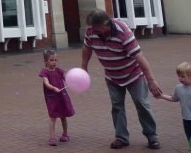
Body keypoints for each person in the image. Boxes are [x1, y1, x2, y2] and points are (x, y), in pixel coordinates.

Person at [82, 8, 162, 149]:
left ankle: (152, 136)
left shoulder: (122, 31)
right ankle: (121, 138)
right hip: (112, 76)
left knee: (141, 104)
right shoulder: (90, 31)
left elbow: (139, 57)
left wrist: (151, 80)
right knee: (117, 106)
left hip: (133, 74)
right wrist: (84, 68)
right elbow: (87, 48)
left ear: (105, 24)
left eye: (95, 27)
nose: (92, 30)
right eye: (91, 27)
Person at [39, 49, 75, 146]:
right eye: (51, 60)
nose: (54, 62)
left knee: (63, 116)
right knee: (53, 117)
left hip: (62, 96)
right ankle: (52, 137)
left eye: (55, 60)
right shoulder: (44, 72)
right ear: (45, 61)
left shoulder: (59, 71)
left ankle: (65, 134)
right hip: (52, 98)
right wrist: (53, 88)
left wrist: (72, 80)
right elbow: (46, 83)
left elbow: (67, 78)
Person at [156, 61, 191, 149]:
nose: (180, 78)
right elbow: (174, 98)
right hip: (186, 118)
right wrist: (162, 96)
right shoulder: (178, 88)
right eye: (179, 76)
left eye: (183, 76)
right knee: (189, 137)